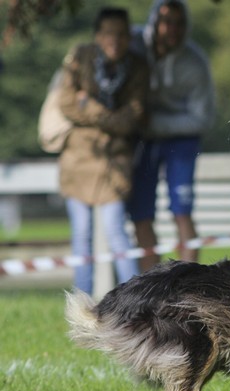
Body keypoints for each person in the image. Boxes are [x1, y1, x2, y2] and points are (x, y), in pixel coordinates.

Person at [57, 7, 149, 295]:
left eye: (122, 34)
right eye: (109, 33)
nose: (115, 40)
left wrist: (92, 108)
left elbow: (133, 117)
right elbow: (66, 103)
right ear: (98, 35)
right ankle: (82, 305)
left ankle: (131, 304)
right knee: (81, 236)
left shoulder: (138, 67)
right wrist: (109, 115)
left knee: (117, 234)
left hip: (115, 164)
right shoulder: (80, 56)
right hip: (79, 161)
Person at [127, 0, 215, 271]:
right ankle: (147, 284)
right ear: (154, 22)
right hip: (140, 139)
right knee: (141, 213)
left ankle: (186, 284)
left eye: (179, 23)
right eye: (166, 22)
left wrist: (155, 124)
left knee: (182, 210)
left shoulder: (195, 63)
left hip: (181, 139)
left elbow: (203, 117)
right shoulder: (134, 45)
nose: (172, 29)